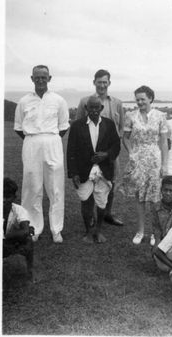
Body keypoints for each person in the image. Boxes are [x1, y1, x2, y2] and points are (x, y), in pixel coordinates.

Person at [14, 65, 69, 243]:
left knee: (55, 187)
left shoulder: (59, 100)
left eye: (43, 77)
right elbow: (19, 128)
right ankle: (33, 228)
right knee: (32, 187)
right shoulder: (23, 101)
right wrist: (34, 140)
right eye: (37, 77)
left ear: (49, 78)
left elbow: (63, 127)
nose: (40, 80)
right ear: (32, 79)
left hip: (53, 142)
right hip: (31, 143)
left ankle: (56, 229)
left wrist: (48, 139)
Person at [67, 96, 121, 243]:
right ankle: (88, 232)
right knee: (85, 199)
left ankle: (98, 230)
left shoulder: (109, 124)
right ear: (86, 108)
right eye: (91, 107)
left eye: (97, 107)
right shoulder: (77, 125)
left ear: (101, 108)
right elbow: (71, 150)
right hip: (84, 170)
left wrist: (106, 155)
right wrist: (74, 173)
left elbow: (116, 145)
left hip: (104, 170)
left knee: (102, 201)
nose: (94, 110)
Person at [120, 85, 168, 245]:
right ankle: (140, 231)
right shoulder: (130, 115)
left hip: (155, 159)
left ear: (150, 99)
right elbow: (125, 137)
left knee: (155, 198)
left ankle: (155, 232)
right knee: (139, 197)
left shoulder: (161, 116)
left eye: (143, 99)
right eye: (137, 99)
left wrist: (164, 165)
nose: (140, 102)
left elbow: (163, 142)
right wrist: (132, 153)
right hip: (138, 159)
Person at [76, 69, 124, 226]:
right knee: (89, 181)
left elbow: (121, 128)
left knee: (111, 182)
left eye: (105, 82)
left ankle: (107, 214)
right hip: (90, 153)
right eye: (99, 82)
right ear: (94, 82)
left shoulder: (117, 102)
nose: (102, 85)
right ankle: (90, 216)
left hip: (110, 152)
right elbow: (78, 126)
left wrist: (111, 150)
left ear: (109, 83)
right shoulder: (84, 101)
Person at [3, 177, 34, 281]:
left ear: (14, 197)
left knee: (28, 240)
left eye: (7, 197)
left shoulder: (19, 210)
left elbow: (25, 231)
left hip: (7, 242)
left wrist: (5, 237)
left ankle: (30, 271)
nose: (3, 200)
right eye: (1, 196)